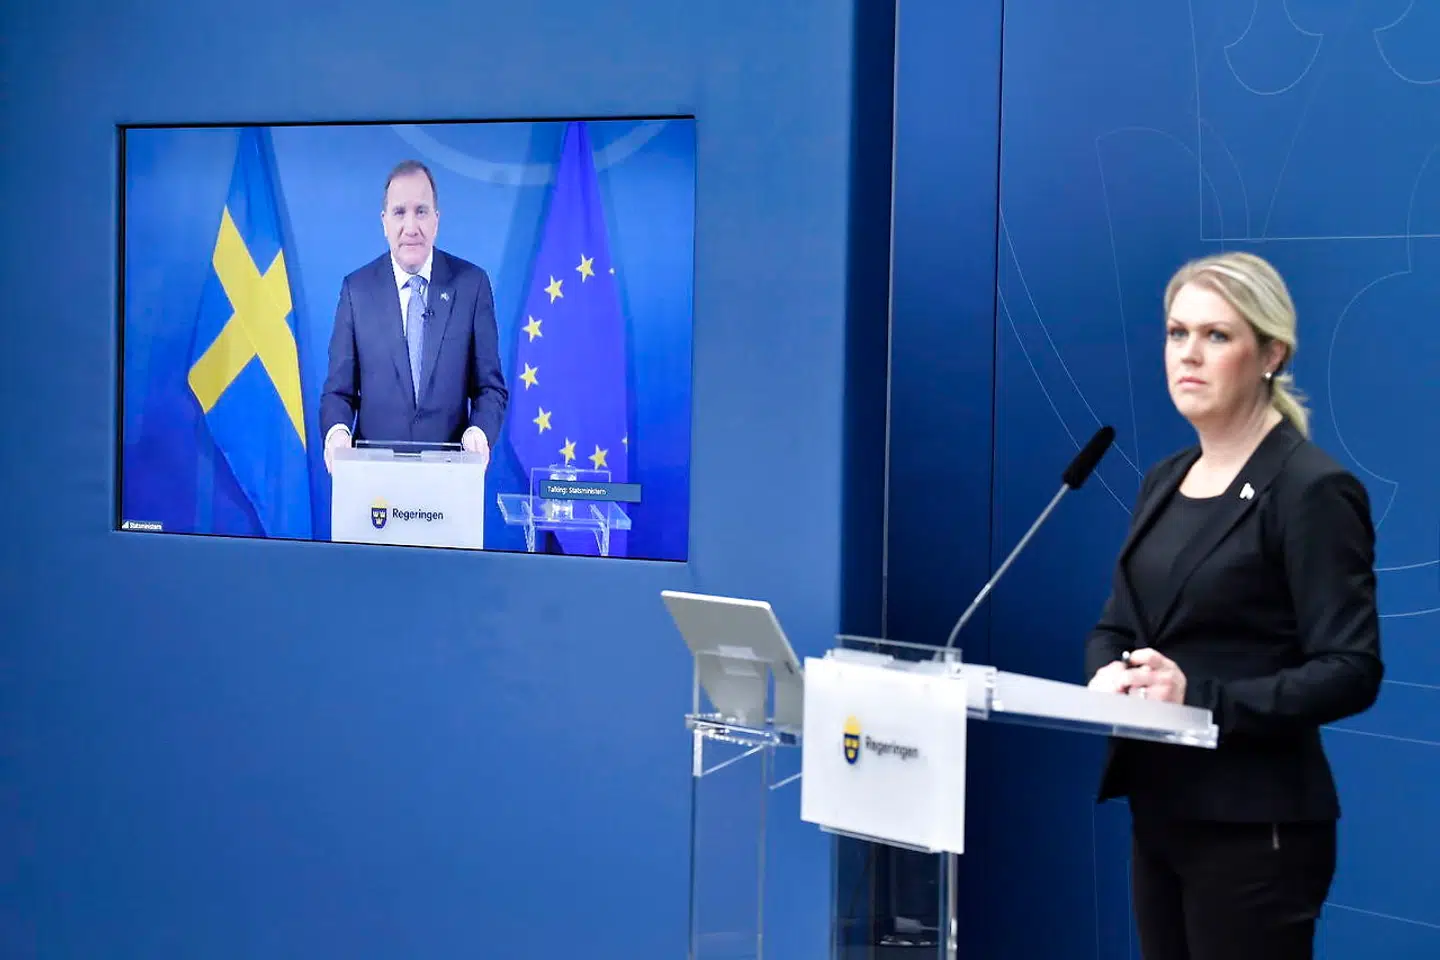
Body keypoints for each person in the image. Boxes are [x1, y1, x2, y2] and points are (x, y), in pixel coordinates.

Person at [1083, 251, 1383, 960]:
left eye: (1217, 336)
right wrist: (1106, 676)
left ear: (1271, 353)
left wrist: (1201, 699)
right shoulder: (1166, 478)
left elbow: (1351, 667)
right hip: (1160, 812)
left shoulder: (1309, 490)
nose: (1189, 354)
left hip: (1257, 828)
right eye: (1175, 333)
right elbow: (1117, 624)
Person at [320, 160, 508, 471]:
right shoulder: (357, 291)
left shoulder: (471, 285)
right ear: (384, 222)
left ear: (437, 219)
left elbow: (490, 388)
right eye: (399, 212)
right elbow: (338, 393)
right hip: (374, 482)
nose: (411, 227)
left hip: (450, 478)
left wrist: (479, 433)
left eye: (421, 211)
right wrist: (338, 434)